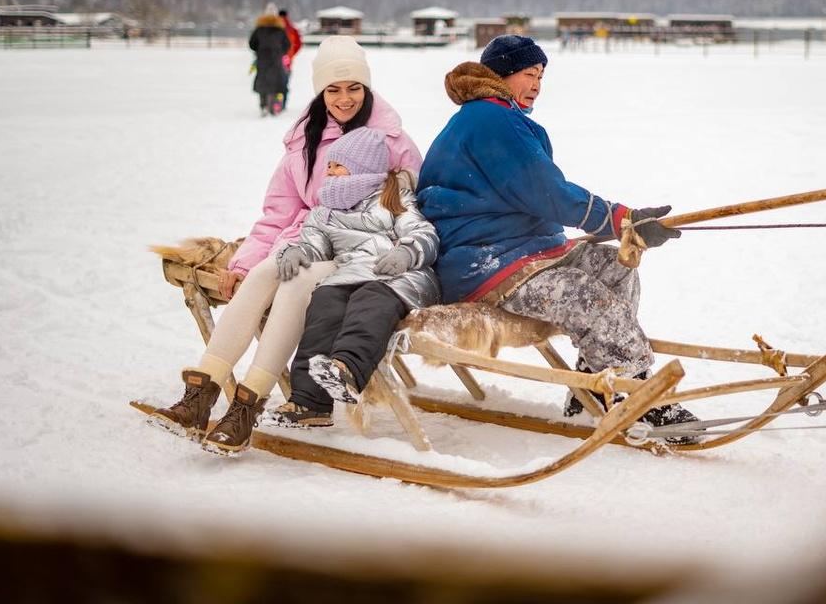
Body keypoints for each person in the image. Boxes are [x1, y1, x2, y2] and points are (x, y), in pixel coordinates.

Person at [149, 36, 423, 453]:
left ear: (367, 88)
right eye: (333, 89)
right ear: (320, 91)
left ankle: (247, 405)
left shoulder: (392, 141)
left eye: (354, 88)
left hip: (355, 257)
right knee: (265, 272)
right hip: (308, 237)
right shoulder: (305, 140)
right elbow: (279, 211)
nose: (344, 99)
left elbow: (412, 208)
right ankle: (199, 397)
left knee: (296, 284)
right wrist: (243, 263)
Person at [416, 35, 698, 432]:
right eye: (529, 74)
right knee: (587, 298)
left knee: (615, 268)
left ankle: (594, 387)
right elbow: (545, 192)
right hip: (489, 261)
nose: (536, 85)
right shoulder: (490, 120)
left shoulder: (494, 117)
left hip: (524, 250)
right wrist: (621, 219)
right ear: (501, 75)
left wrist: (625, 223)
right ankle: (638, 394)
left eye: (541, 77)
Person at [265, 127, 438, 429]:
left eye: (338, 165)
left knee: (369, 302)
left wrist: (407, 253)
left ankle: (346, 369)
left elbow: (422, 231)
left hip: (401, 277)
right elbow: (315, 244)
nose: (329, 172)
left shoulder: (394, 196)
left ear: (363, 168)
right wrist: (295, 251)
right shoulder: (323, 211)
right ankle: (309, 401)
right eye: (329, 166)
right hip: (349, 273)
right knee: (324, 303)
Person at [249, 3, 290, 116]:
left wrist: (259, 51)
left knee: (263, 81)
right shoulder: (280, 30)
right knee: (275, 82)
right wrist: (280, 52)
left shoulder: (259, 29)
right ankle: (272, 105)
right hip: (276, 59)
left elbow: (252, 44)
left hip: (262, 59)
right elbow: (287, 45)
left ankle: (263, 105)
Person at [278, 8, 303, 112]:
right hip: (287, 59)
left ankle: (275, 104)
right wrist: (291, 54)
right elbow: (299, 44)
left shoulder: (275, 27)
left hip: (274, 59)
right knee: (285, 82)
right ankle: (282, 104)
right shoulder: (292, 28)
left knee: (274, 81)